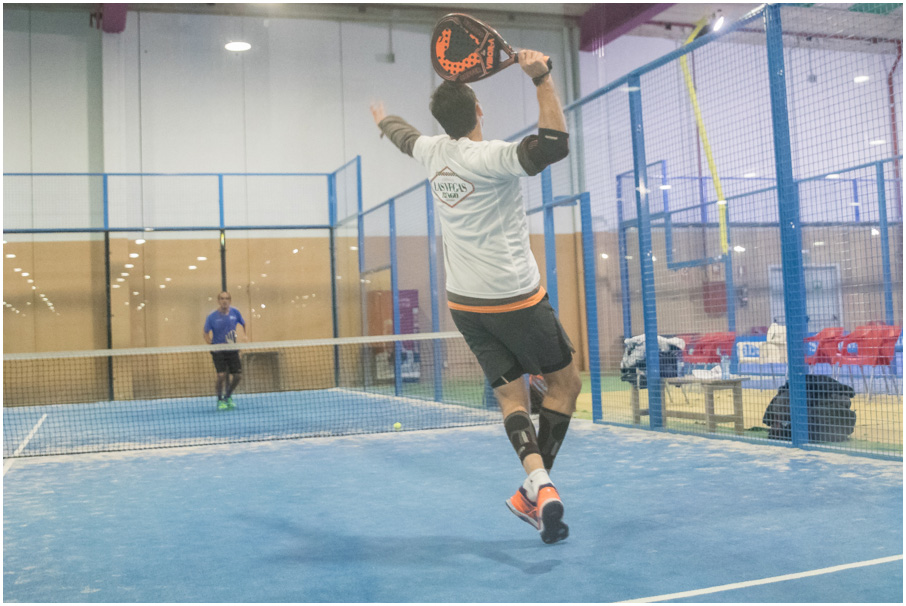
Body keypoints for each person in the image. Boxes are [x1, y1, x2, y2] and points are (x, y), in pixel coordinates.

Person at [370, 50, 581, 544]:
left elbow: (405, 137)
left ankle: (536, 488)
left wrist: (383, 121)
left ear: (442, 122)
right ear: (479, 110)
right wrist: (542, 78)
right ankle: (536, 488)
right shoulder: (493, 157)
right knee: (565, 385)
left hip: (465, 303)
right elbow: (554, 145)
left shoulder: (432, 152)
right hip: (515, 298)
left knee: (511, 396)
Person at [203, 291, 247, 410]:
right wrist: (212, 345)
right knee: (221, 375)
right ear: (218, 301)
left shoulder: (235, 312)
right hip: (218, 350)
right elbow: (205, 333)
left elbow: (243, 323)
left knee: (238, 376)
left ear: (230, 301)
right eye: (222, 298)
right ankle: (219, 400)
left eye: (227, 298)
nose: (224, 301)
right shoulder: (212, 316)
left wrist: (244, 335)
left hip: (232, 349)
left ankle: (228, 396)